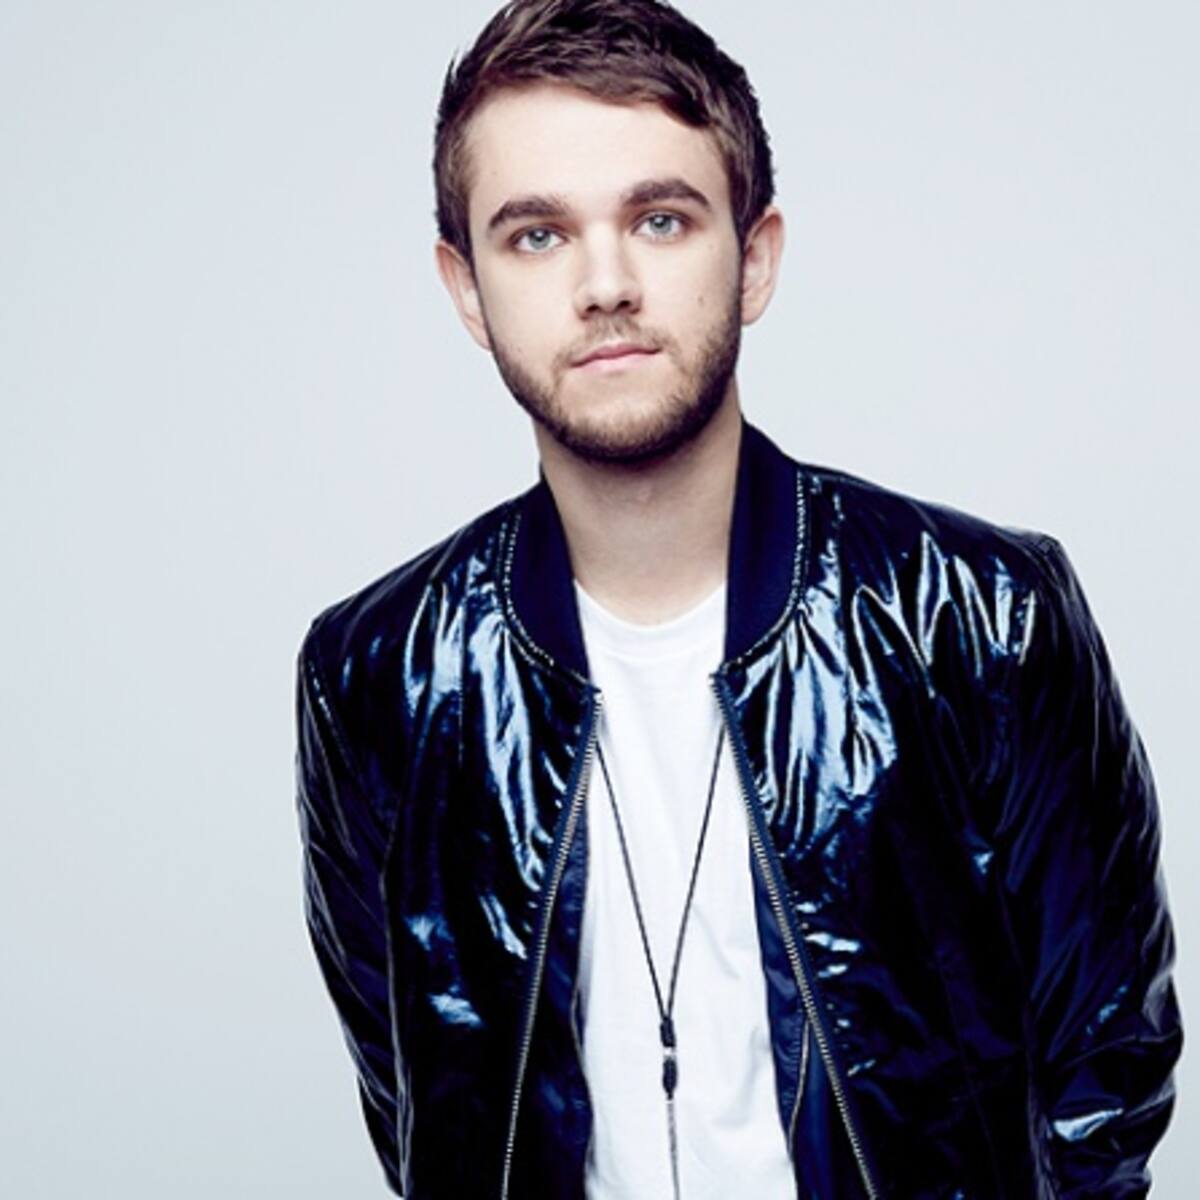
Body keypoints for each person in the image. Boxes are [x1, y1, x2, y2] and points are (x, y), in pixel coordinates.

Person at [294, 1, 1182, 1196]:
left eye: (660, 220)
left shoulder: (981, 616)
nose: (606, 285)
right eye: (537, 235)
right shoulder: (379, 678)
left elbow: (1107, 1069)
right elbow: (416, 1104)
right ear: (466, 289)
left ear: (754, 258)